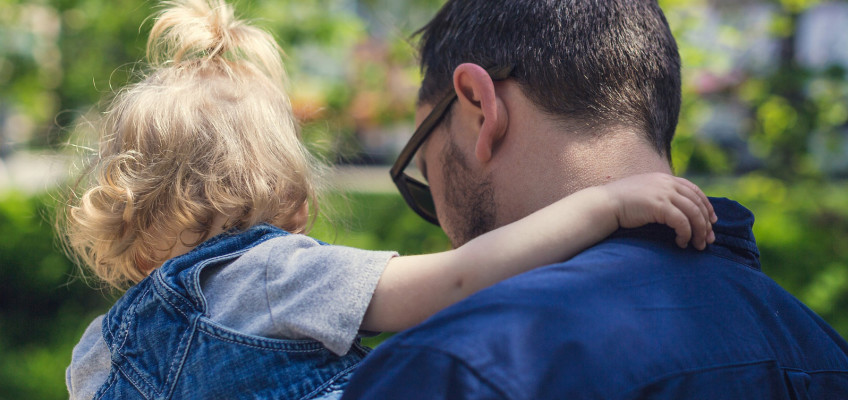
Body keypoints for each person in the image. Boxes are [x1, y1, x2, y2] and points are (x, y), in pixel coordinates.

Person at [61, 1, 718, 399]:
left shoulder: (98, 350)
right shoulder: (280, 277)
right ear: (286, 191)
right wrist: (604, 206)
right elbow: (460, 278)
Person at [341, 1, 848, 399]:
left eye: (425, 171)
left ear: (479, 105)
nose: (440, 222)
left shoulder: (459, 365)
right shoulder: (824, 352)